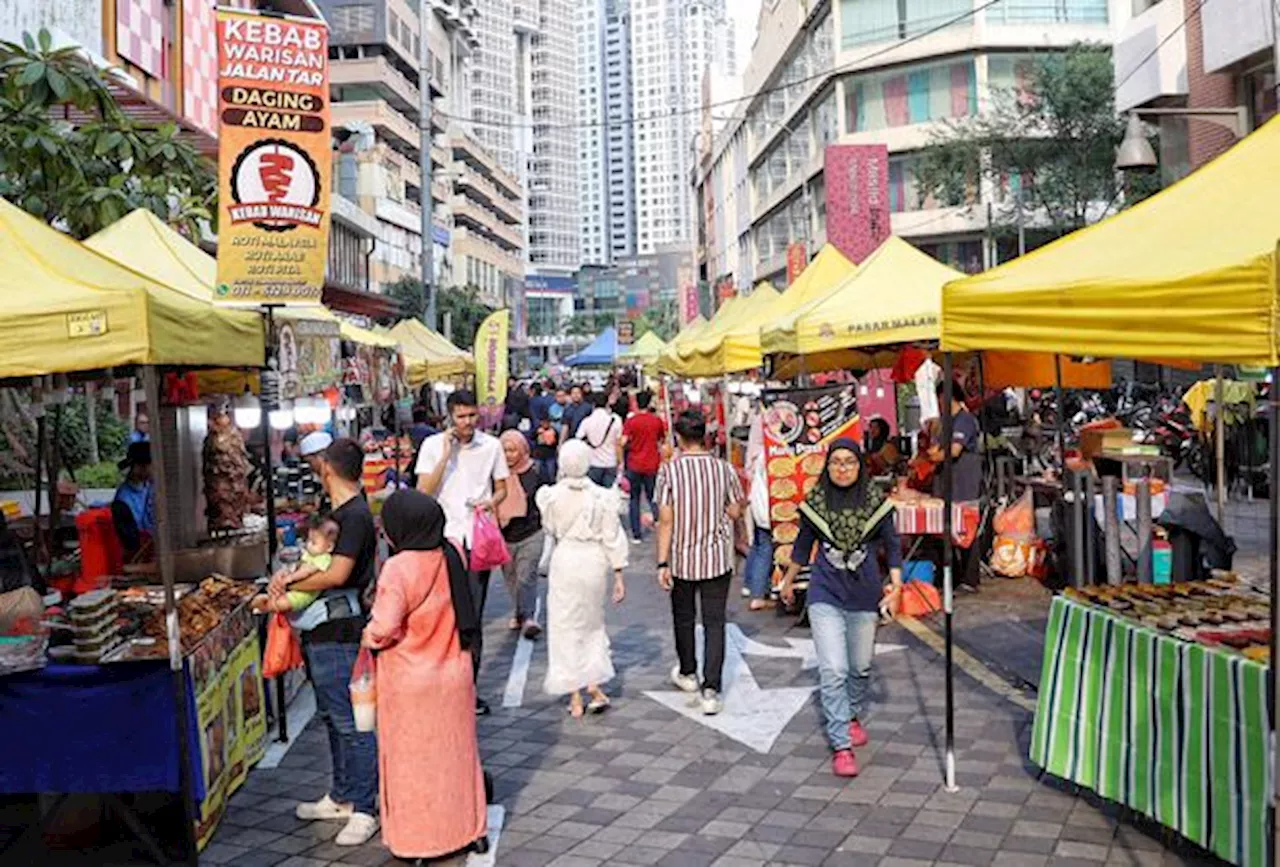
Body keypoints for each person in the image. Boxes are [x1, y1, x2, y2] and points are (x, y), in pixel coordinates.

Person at [360, 490, 488, 860]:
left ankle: (420, 841)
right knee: (457, 755)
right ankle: (469, 828)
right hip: (455, 673)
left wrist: (366, 635)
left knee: (414, 764)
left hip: (411, 682)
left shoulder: (399, 568)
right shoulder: (451, 552)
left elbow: (384, 627)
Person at [269, 439, 379, 846]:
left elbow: (336, 575)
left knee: (352, 723)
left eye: (317, 463)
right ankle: (343, 794)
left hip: (340, 629)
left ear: (327, 468)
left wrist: (288, 586)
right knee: (333, 717)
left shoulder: (354, 517)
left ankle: (366, 807)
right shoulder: (341, 513)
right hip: (321, 631)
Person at [780, 439, 902, 778]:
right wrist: (789, 580)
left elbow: (892, 547)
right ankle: (841, 745)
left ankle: (850, 715)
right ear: (827, 466)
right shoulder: (816, 504)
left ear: (861, 465)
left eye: (849, 462)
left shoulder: (876, 503)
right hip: (825, 593)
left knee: (860, 667)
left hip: (865, 594)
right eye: (836, 462)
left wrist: (896, 586)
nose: (843, 469)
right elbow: (803, 546)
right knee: (833, 669)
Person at [415, 390, 510, 715]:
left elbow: (502, 489)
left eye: (472, 416)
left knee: (471, 616)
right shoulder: (432, 446)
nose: (468, 423)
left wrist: (490, 503)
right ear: (449, 417)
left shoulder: (491, 446)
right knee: (441, 615)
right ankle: (442, 684)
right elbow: (423, 492)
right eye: (461, 417)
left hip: (476, 539)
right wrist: (445, 454)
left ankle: (468, 688)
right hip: (442, 539)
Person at [656, 411, 745, 716]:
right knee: (714, 621)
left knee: (683, 617)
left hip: (681, 557)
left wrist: (661, 561)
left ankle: (688, 672)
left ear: (679, 438)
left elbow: (665, 520)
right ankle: (712, 688)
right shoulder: (725, 470)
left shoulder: (669, 472)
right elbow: (735, 510)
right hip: (717, 556)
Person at [538, 440, 628, 717]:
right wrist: (619, 574)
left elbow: (550, 528)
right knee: (592, 624)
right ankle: (594, 685)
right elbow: (612, 536)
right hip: (593, 561)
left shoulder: (550, 496)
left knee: (564, 626)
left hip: (565, 559)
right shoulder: (603, 496)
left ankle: (574, 695)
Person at [497, 430, 546, 639]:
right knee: (512, 578)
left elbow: (546, 497)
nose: (508, 455)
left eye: (512, 450)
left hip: (531, 531)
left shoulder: (535, 470)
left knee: (527, 575)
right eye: (504, 450)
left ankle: (528, 617)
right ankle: (520, 611)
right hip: (503, 535)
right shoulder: (495, 474)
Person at [252, 514, 341, 619]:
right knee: (282, 595)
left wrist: (291, 578)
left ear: (329, 547)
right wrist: (288, 571)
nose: (308, 545)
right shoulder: (311, 554)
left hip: (306, 593)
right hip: (299, 587)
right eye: (308, 541)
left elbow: (307, 571)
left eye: (313, 543)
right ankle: (267, 602)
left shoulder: (323, 558)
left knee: (286, 603)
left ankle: (267, 606)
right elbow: (299, 565)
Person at [620, 390, 665, 543]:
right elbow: (661, 440)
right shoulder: (656, 421)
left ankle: (636, 534)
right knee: (654, 497)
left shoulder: (631, 422)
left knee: (634, 498)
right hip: (652, 464)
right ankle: (660, 527)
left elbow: (623, 442)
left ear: (637, 403)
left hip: (634, 463)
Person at [930, 382, 983, 503]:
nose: (939, 404)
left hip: (962, 485)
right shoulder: (946, 423)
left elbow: (954, 451)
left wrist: (932, 459)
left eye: (940, 400)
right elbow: (936, 447)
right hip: (946, 483)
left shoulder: (964, 420)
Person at [576, 393, 623, 488]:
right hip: (611, 462)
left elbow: (579, 438)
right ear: (607, 404)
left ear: (593, 405)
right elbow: (618, 444)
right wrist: (620, 463)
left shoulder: (587, 421)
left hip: (592, 463)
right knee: (609, 497)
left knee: (593, 496)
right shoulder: (616, 420)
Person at [532, 417, 559, 482]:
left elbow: (556, 442)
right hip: (539, 454)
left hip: (550, 454)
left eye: (546, 422)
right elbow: (532, 438)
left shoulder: (554, 431)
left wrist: (551, 439)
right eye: (543, 422)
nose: (545, 424)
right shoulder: (537, 430)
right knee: (537, 472)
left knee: (551, 472)